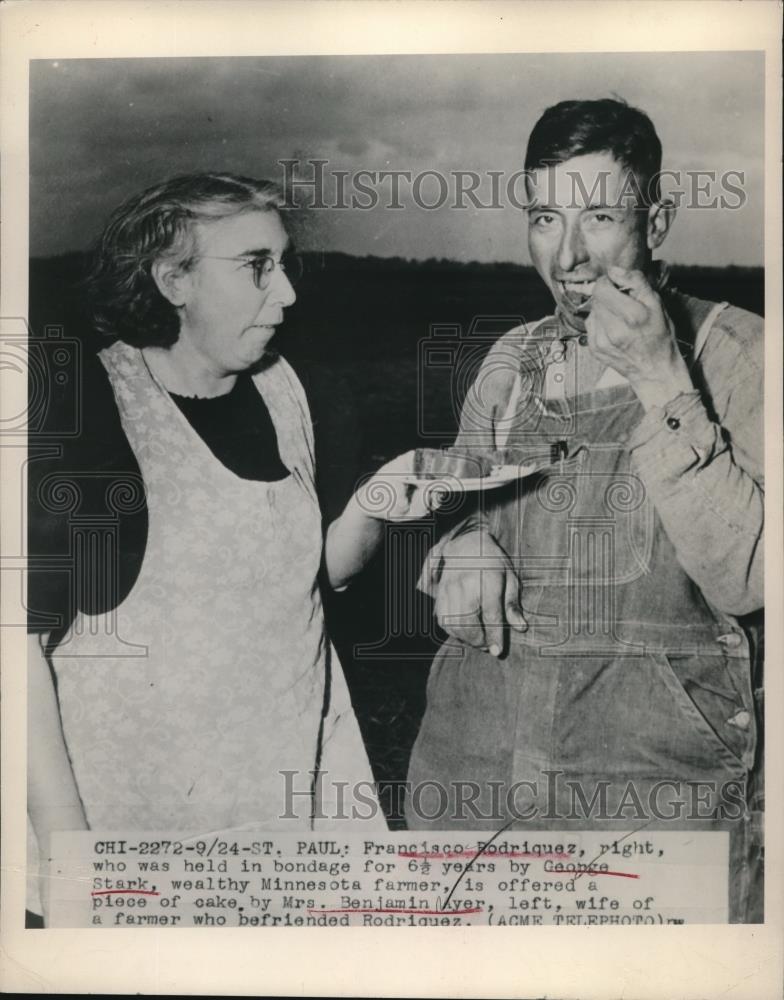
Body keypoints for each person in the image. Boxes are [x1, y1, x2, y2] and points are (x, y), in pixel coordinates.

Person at [26, 172, 423, 925]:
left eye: (284, 263)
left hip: (290, 806)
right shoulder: (86, 413)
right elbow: (18, 651)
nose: (289, 295)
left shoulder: (291, 392)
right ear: (171, 278)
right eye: (255, 266)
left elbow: (316, 575)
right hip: (139, 836)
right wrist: (67, 856)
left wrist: (379, 501)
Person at [406, 99, 764, 922]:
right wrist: (461, 536)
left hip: (656, 811)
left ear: (658, 219)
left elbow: (749, 577)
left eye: (599, 216)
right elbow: (456, 507)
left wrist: (658, 378)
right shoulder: (513, 360)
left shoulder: (744, 358)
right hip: (484, 790)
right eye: (543, 218)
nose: (567, 256)